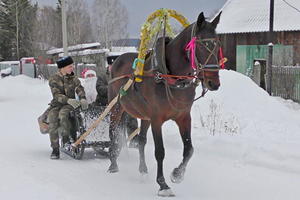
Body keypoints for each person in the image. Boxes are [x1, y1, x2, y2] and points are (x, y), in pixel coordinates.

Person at [47, 56, 88, 159]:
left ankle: (67, 139)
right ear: (63, 68)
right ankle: (55, 149)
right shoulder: (54, 79)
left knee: (63, 115)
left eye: (72, 66)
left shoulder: (74, 78)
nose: (72, 68)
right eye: (70, 66)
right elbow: (56, 95)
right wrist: (68, 100)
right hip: (57, 104)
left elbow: (79, 88)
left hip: (71, 105)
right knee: (52, 118)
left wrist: (82, 98)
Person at [94, 55, 139, 148]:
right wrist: (114, 89)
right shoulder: (103, 76)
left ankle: (134, 138)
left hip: (121, 103)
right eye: (112, 66)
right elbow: (100, 88)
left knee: (131, 115)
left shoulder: (122, 76)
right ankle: (113, 139)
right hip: (105, 102)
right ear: (109, 66)